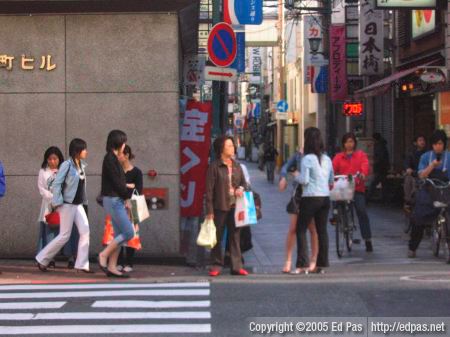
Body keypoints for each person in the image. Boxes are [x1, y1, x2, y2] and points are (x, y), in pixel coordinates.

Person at [36, 139, 92, 273]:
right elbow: (57, 184)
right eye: (84, 149)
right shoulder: (66, 165)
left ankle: (82, 264)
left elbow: (81, 187)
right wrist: (57, 202)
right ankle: (42, 258)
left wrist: (85, 204)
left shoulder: (81, 166)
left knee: (85, 231)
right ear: (77, 151)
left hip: (78, 204)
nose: (86, 152)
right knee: (64, 235)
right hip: (67, 204)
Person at [205, 135, 249, 277]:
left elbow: (244, 183)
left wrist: (241, 188)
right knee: (217, 236)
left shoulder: (237, 166)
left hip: (236, 206)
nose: (232, 148)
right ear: (221, 149)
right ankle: (216, 265)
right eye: (229, 145)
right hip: (220, 206)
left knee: (235, 236)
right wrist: (210, 210)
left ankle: (236, 266)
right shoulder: (214, 166)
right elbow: (209, 191)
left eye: (232, 145)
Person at [294, 127, 333, 274]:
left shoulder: (307, 159)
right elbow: (330, 179)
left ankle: (302, 264)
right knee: (322, 230)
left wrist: (296, 174)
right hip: (325, 198)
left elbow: (304, 180)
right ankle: (321, 265)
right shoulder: (327, 159)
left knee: (301, 229)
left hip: (310, 197)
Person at [409, 130, 450, 261]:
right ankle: (413, 247)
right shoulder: (426, 157)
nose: (438, 146)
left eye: (441, 144)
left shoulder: (448, 157)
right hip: (429, 190)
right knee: (419, 216)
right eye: (436, 144)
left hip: (446, 189)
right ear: (432, 145)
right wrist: (432, 166)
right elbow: (421, 175)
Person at [98, 130, 135, 278]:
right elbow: (118, 183)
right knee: (128, 232)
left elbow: (118, 182)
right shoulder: (110, 159)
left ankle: (112, 266)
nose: (125, 145)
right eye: (124, 142)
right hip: (114, 200)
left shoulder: (111, 158)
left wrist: (126, 189)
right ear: (119, 143)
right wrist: (127, 191)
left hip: (113, 199)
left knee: (119, 234)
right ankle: (104, 255)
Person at [279, 149, 318, 273]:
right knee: (293, 228)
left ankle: (313, 260)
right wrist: (283, 178)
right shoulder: (299, 154)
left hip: (312, 193)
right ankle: (288, 261)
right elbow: (285, 167)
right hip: (298, 194)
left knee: (312, 228)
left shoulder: (320, 156)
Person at [332, 133, 373, 252]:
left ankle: (367, 239)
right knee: (335, 200)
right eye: (347, 142)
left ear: (355, 143)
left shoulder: (360, 155)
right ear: (343, 144)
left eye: (351, 141)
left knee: (361, 211)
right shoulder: (338, 157)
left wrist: (363, 174)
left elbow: (365, 166)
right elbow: (333, 169)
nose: (349, 144)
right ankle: (336, 217)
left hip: (357, 187)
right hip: (342, 188)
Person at [117, 145, 143, 273]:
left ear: (127, 155)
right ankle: (118, 262)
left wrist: (124, 185)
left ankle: (129, 263)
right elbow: (115, 188)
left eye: (120, 154)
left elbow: (138, 189)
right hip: (118, 204)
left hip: (133, 206)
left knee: (132, 235)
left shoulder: (137, 172)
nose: (118, 157)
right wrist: (129, 185)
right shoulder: (116, 171)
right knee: (117, 234)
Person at [404, 135, 427, 207]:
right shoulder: (411, 154)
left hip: (425, 175)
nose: (422, 142)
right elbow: (407, 164)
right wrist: (408, 169)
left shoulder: (427, 153)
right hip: (414, 174)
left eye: (423, 140)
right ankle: (408, 200)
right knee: (409, 179)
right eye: (420, 140)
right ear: (415, 143)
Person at [368, 133, 390, 201]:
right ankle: (385, 198)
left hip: (379, 168)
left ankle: (367, 197)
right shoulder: (382, 145)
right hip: (383, 168)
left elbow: (379, 158)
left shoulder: (379, 146)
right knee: (384, 183)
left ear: (374, 139)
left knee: (373, 183)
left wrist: (374, 163)